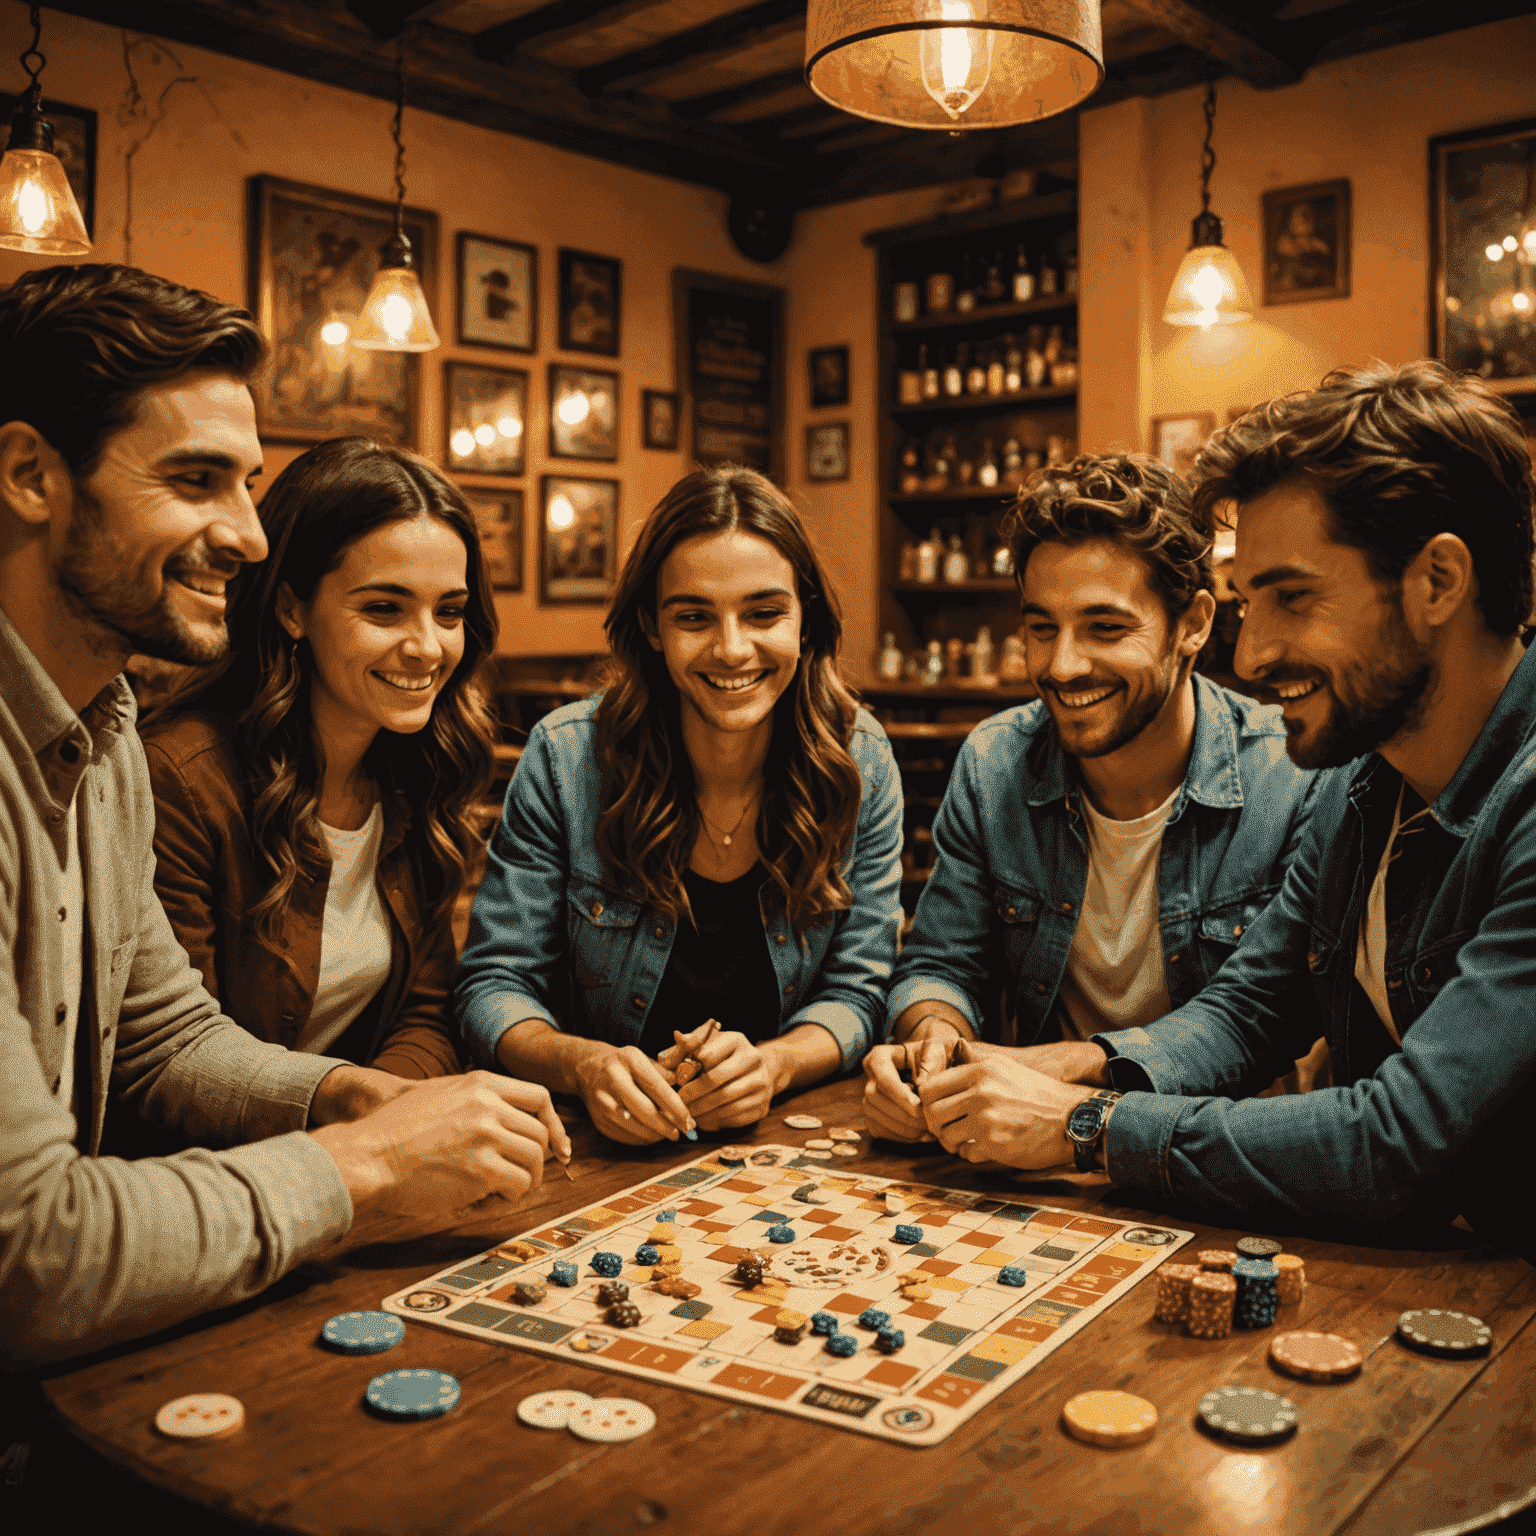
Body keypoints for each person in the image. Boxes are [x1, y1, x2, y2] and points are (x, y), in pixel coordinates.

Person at [0, 263, 569, 1374]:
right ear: (29, 473)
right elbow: (30, 1254)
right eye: (198, 479)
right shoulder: (159, 758)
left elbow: (164, 1038)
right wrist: (366, 1164)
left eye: (250, 484)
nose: (251, 537)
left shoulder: (100, 721)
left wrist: (354, 1093)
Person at [911, 361, 1536, 1257]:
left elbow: (1395, 1147)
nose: (1254, 655)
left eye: (1291, 597)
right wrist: (1063, 1068)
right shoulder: (1368, 782)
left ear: (1437, 582)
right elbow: (1252, 1008)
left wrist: (1086, 1123)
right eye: (1250, 604)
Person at [864, 454, 1318, 1142]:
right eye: (1042, 627)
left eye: (1105, 628)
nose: (1061, 666)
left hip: (1214, 1162)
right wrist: (933, 1036)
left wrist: (1068, 1072)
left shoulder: (1290, 772)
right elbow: (941, 963)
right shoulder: (994, 762)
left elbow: (1262, 1014)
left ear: (1193, 623)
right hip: (1026, 1164)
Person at [456, 466, 903, 1143]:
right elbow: (491, 985)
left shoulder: (860, 761)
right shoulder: (567, 758)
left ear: (805, 620)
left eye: (764, 613)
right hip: (594, 1149)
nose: (731, 649)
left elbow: (860, 993)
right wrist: (584, 1065)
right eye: (694, 616)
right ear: (652, 626)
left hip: (783, 1148)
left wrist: (775, 1064)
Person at [139, 438, 498, 1079]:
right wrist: (358, 1121)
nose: (427, 646)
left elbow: (427, 1008)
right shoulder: (181, 781)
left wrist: (385, 1119)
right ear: (291, 608)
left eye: (449, 611)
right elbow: (177, 1062)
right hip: (211, 1169)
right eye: (383, 609)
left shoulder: (418, 770)